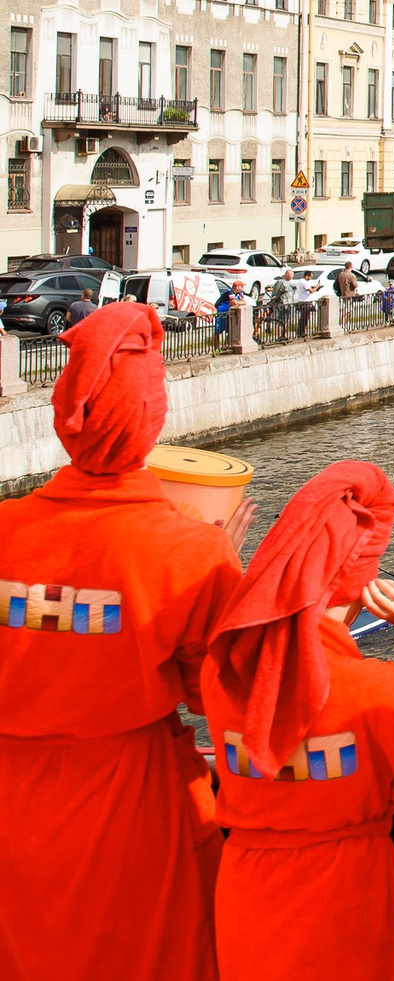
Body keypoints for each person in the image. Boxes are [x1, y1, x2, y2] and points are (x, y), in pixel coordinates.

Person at [0, 304, 241, 981]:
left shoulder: (6, 527)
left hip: (13, 820)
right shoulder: (190, 549)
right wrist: (231, 568)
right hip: (134, 818)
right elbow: (222, 696)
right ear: (152, 418)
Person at [204, 461, 394, 981]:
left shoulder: (224, 673)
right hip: (347, 896)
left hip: (247, 893)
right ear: (360, 587)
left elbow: (222, 638)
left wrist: (222, 568)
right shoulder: (377, 692)